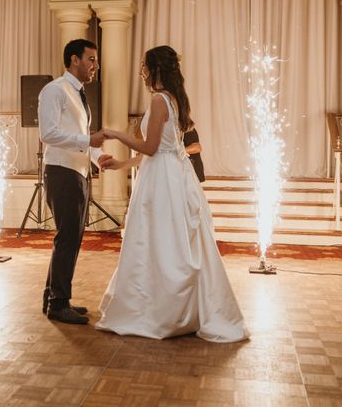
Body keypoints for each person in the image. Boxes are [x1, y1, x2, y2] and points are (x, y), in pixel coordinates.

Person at [95, 45, 247, 342]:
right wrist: (122, 164)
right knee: (167, 240)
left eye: (144, 66)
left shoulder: (159, 100)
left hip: (161, 181)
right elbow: (159, 150)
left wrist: (114, 134)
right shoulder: (175, 99)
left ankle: (159, 310)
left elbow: (151, 147)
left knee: (157, 239)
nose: (141, 71)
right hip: (171, 174)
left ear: (155, 69)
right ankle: (173, 305)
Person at [37, 39, 110, 325]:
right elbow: (48, 134)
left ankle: (53, 297)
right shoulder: (54, 90)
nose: (95, 66)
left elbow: (79, 135)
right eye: (91, 59)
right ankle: (58, 304)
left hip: (78, 172)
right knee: (67, 239)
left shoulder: (77, 93)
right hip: (62, 172)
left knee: (70, 239)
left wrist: (98, 156)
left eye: (95, 60)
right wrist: (87, 141)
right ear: (73, 59)